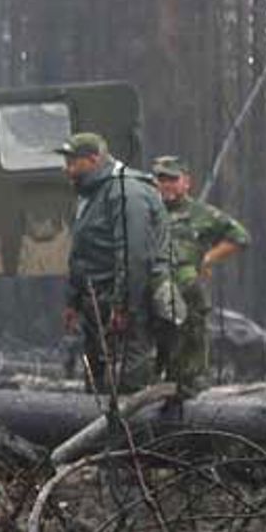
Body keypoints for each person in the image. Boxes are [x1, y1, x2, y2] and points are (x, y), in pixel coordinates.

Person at [60, 130, 173, 396]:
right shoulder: (94, 193)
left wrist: (124, 306)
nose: (67, 169)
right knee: (98, 384)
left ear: (93, 160)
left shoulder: (125, 192)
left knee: (128, 383)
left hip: (123, 306)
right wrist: (73, 301)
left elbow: (134, 255)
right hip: (97, 305)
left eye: (73, 162)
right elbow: (82, 253)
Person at [151, 155, 249, 394]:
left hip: (186, 293)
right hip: (151, 292)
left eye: (172, 179)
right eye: (161, 179)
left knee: (190, 347)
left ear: (186, 182)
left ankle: (189, 388)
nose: (166, 185)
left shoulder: (200, 213)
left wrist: (208, 258)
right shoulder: (145, 211)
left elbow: (240, 237)